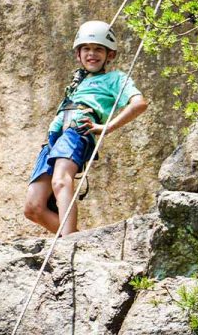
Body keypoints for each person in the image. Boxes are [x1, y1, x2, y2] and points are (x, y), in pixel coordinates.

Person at [23, 20, 147, 236]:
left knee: (61, 180)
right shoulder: (77, 82)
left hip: (76, 132)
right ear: (78, 55)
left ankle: (68, 243)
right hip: (53, 139)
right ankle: (77, 240)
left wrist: (107, 127)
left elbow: (139, 103)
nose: (92, 54)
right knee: (34, 208)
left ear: (110, 55)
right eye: (86, 49)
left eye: (99, 49)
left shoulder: (115, 79)